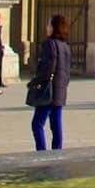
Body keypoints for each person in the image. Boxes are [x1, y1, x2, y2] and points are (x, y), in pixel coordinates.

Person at [30, 15, 74, 150]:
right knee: (56, 125)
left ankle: (41, 151)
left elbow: (49, 67)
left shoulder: (50, 44)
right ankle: (57, 151)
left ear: (54, 27)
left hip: (48, 90)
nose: (46, 27)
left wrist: (35, 81)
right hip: (60, 90)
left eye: (49, 24)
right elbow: (66, 69)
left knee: (37, 123)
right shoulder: (65, 46)